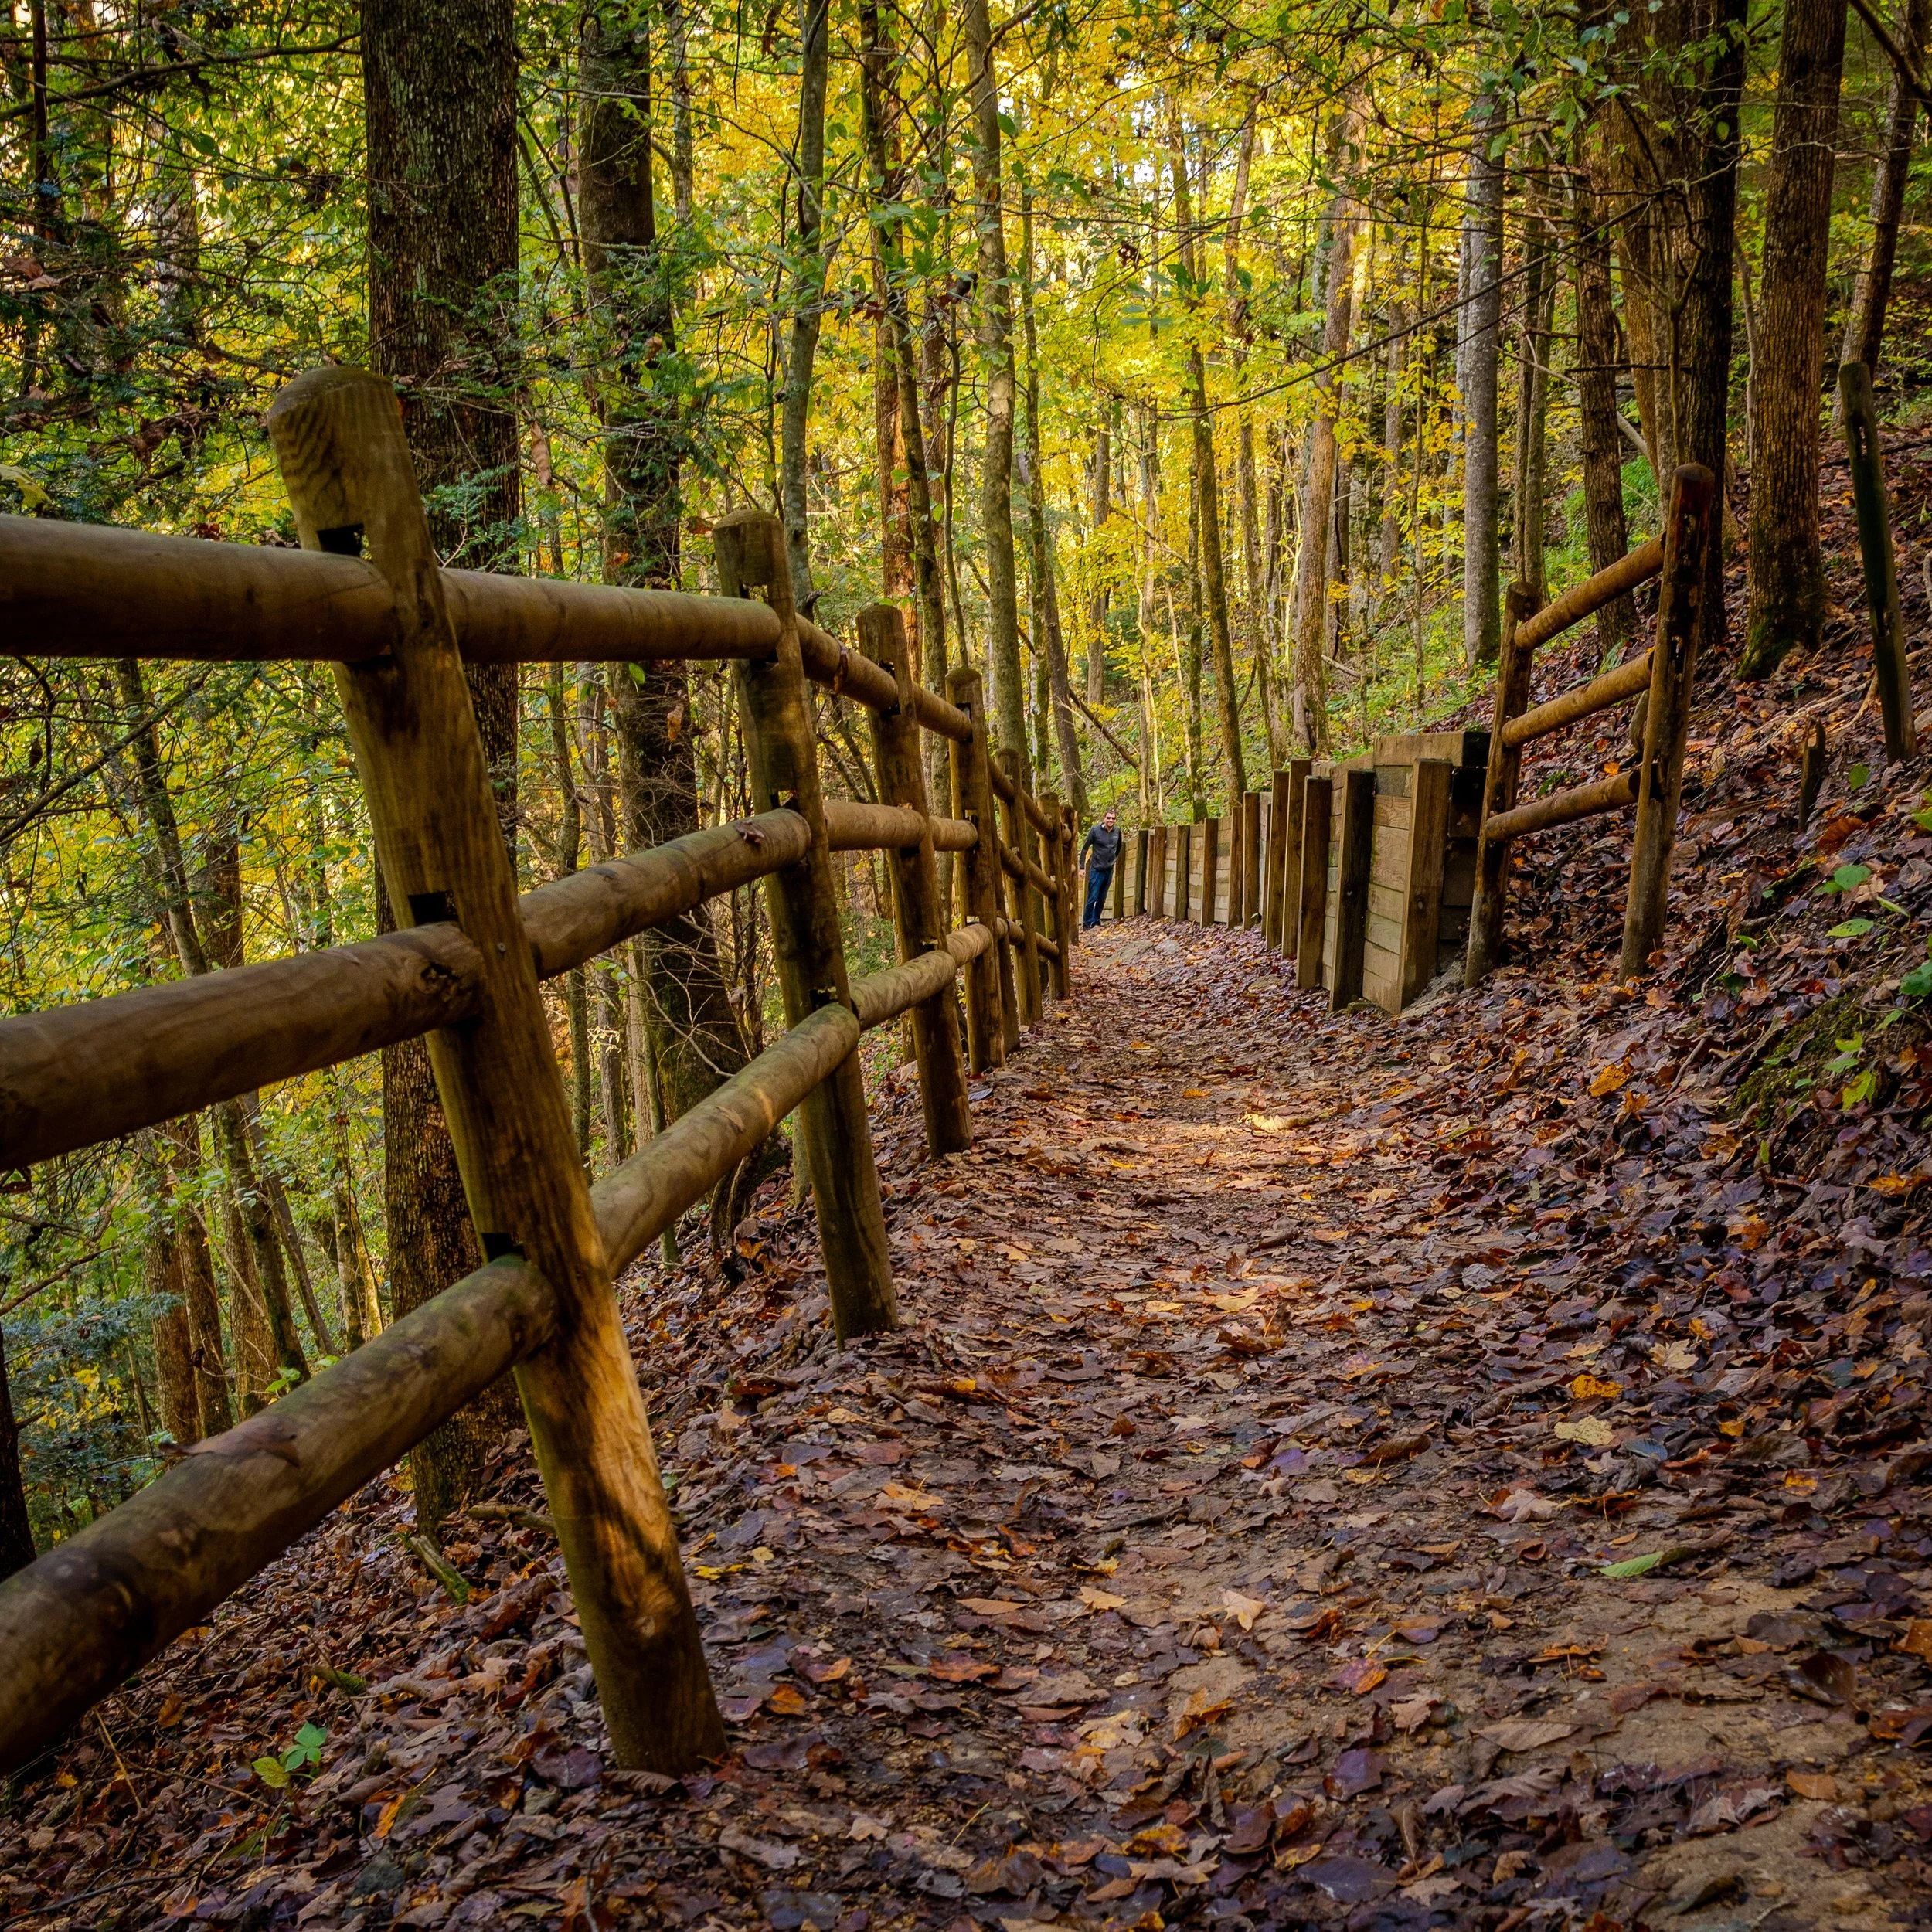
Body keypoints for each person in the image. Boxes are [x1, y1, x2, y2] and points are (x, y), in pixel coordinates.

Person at [1079, 808, 1123, 928]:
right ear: (1104, 818)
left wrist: (1114, 859)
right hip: (1096, 869)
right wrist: (1082, 867)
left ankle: (1096, 920)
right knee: (1093, 896)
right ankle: (1087, 923)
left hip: (1109, 869)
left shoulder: (1117, 832)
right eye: (1108, 818)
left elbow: (1119, 847)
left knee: (1102, 897)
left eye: (1113, 818)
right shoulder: (1095, 831)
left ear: (1115, 820)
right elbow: (1084, 849)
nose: (1110, 820)